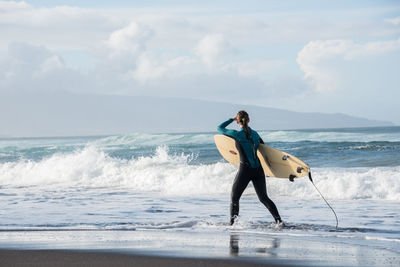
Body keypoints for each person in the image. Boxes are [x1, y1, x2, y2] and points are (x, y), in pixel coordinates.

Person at [217, 110, 283, 226]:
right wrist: (268, 169)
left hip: (245, 170)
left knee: (234, 197)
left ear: (238, 121)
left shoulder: (236, 134)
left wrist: (231, 119)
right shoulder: (256, 134)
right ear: (249, 120)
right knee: (263, 198)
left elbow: (219, 128)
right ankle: (279, 221)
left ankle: (233, 224)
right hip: (258, 170)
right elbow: (264, 150)